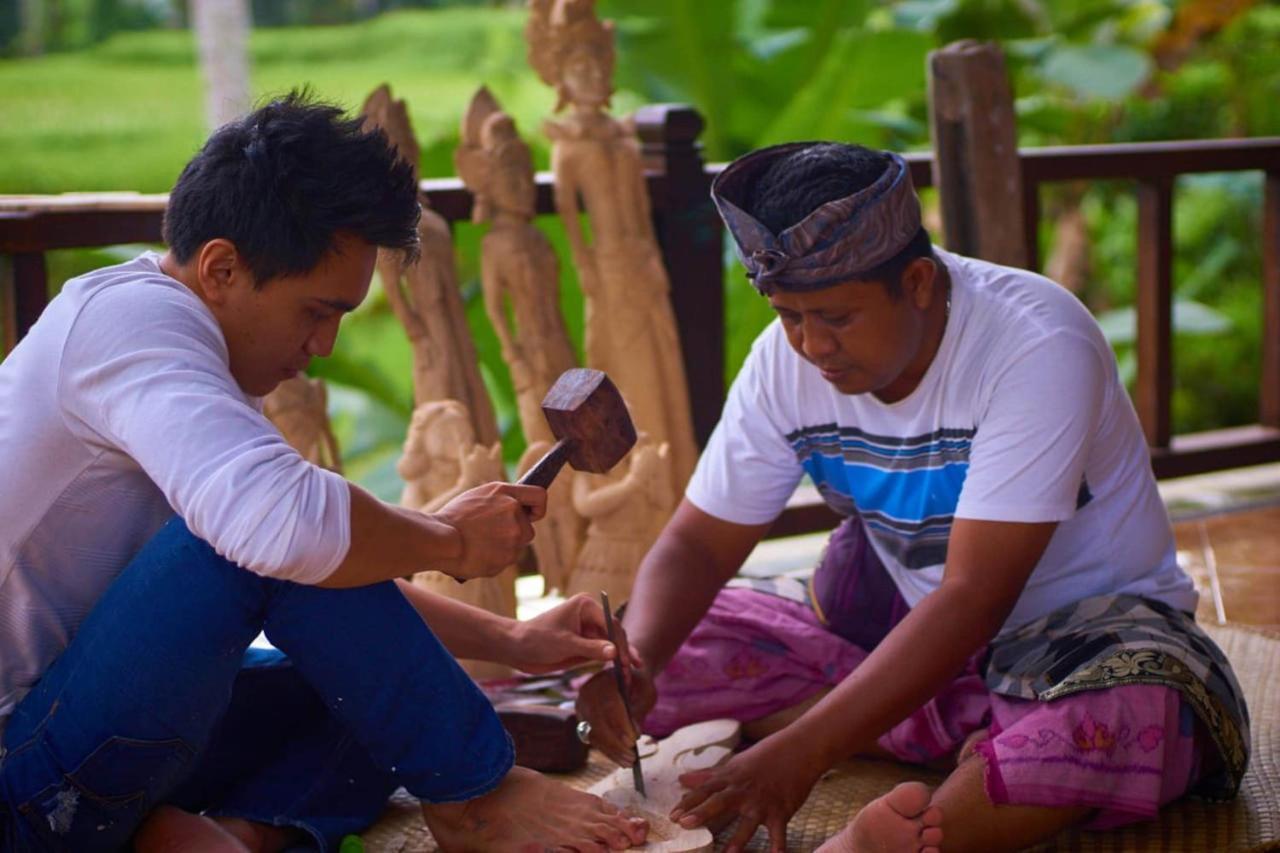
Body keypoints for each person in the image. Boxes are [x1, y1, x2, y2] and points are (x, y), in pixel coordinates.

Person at [0, 92, 648, 853]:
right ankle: (477, 797)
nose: (326, 346)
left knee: (369, 693)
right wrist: (449, 540)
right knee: (282, 542)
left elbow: (311, 563)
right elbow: (281, 535)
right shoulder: (129, 326)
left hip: (76, 731)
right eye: (316, 312)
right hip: (22, 776)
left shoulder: (198, 358)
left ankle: (230, 836)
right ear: (221, 267)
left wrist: (511, 637)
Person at [575, 141, 1249, 853]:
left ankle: (918, 827)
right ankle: (962, 731)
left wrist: (802, 753)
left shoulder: (1036, 344)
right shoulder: (786, 357)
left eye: (836, 317)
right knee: (684, 643)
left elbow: (973, 596)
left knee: (1134, 713)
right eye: (789, 316)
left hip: (1080, 640)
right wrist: (638, 661)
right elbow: (698, 543)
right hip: (911, 633)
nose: (811, 345)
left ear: (920, 282)